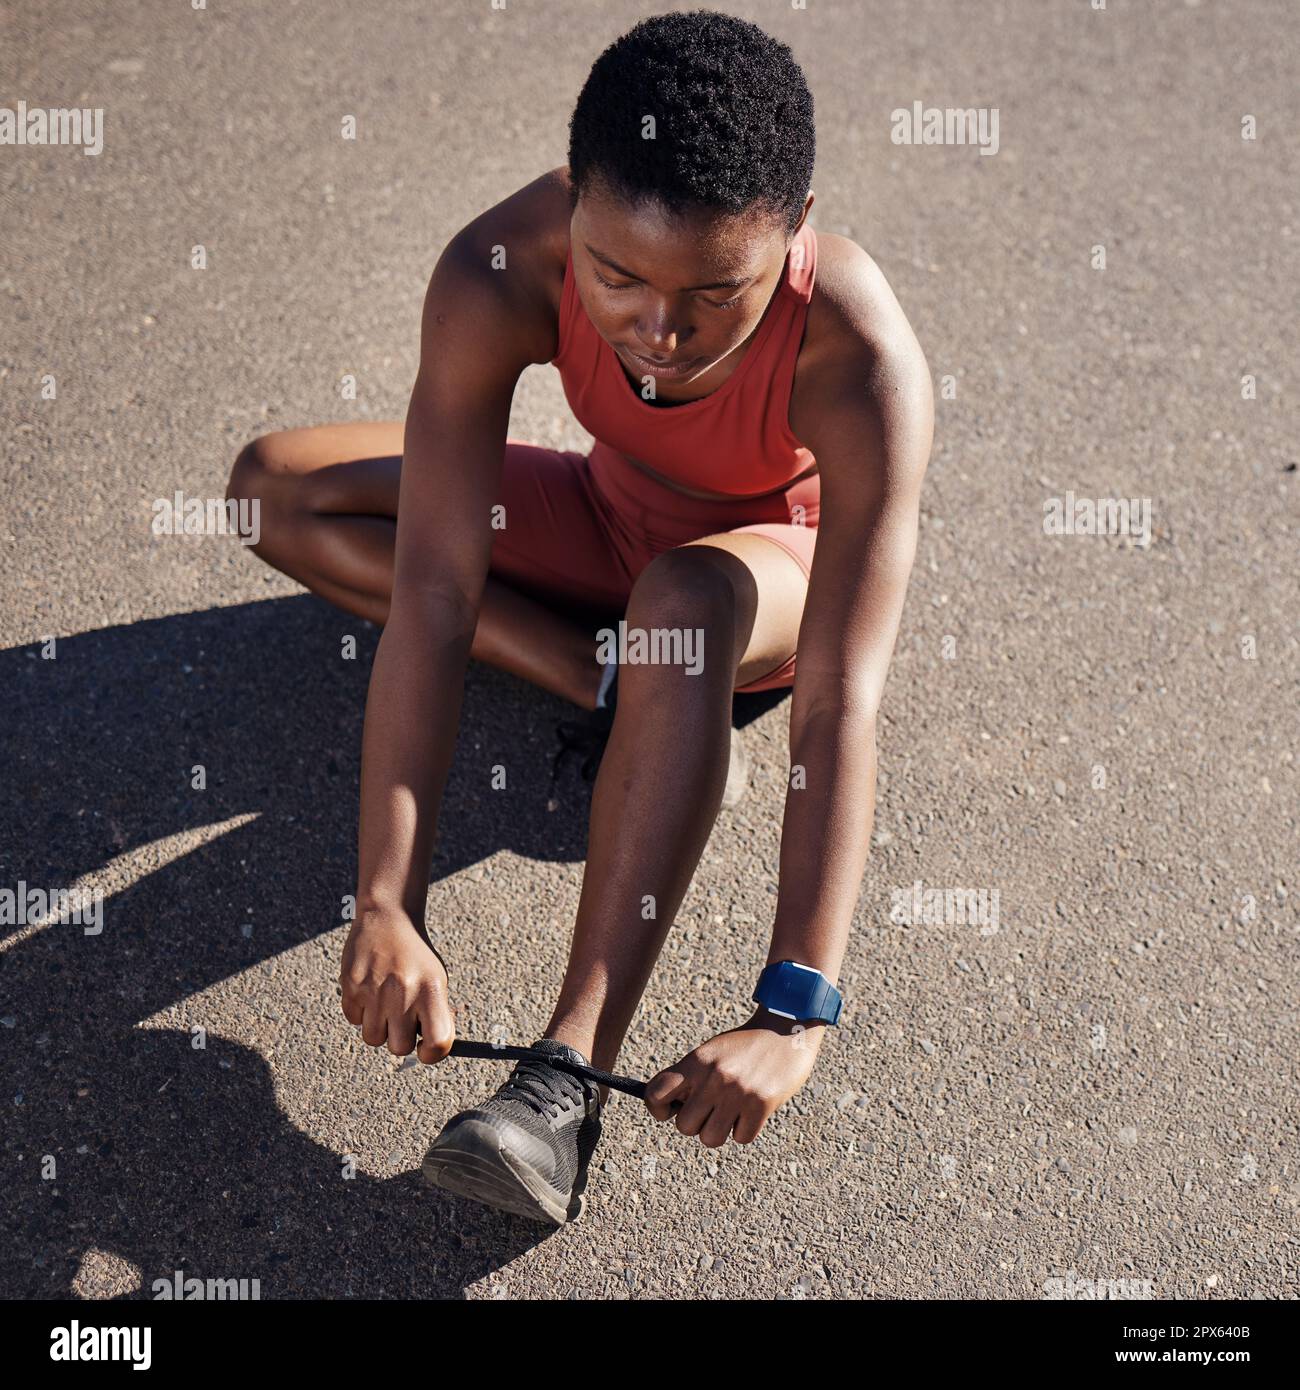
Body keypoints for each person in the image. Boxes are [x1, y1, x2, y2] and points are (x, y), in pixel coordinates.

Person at [227, 10, 932, 1225]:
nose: (661, 334)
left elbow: (837, 699)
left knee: (681, 603)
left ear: (795, 233)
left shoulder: (857, 349)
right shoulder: (496, 267)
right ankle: (589, 674)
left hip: (755, 583)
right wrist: (386, 900)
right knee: (271, 491)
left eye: (718, 295)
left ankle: (556, 1089)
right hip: (606, 516)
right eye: (618, 278)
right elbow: (438, 595)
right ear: (574, 221)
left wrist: (791, 1010)